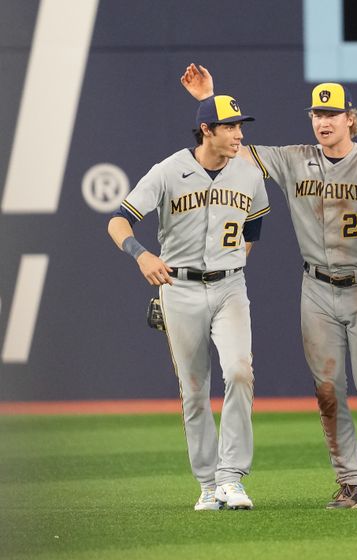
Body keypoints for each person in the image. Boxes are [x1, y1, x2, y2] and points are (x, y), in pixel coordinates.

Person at [180, 64, 357, 509]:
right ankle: (352, 483)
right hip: (316, 288)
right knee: (328, 390)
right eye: (317, 114)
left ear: (351, 119)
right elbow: (233, 148)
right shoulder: (293, 158)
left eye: (333, 114)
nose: (324, 121)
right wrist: (206, 100)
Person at [107, 94, 270, 511]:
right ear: (207, 131)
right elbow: (118, 219)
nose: (239, 134)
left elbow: (252, 235)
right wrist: (141, 254)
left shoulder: (249, 175)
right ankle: (208, 484)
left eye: (240, 126)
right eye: (230, 127)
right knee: (195, 390)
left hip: (230, 287)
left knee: (239, 372)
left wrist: (225, 267)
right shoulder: (169, 170)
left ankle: (232, 477)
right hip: (179, 289)